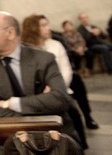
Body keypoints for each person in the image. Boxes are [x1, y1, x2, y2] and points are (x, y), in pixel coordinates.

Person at [0, 11, 82, 150]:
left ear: (10, 33)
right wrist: (40, 107)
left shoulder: (43, 59)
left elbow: (60, 99)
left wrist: (11, 103)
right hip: (7, 135)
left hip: (52, 132)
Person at [21, 14, 92, 149]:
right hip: (36, 94)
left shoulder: (56, 44)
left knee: (72, 111)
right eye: (43, 25)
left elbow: (66, 70)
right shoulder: (25, 50)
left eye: (47, 24)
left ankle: (79, 145)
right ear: (32, 28)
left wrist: (56, 88)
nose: (48, 28)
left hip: (59, 89)